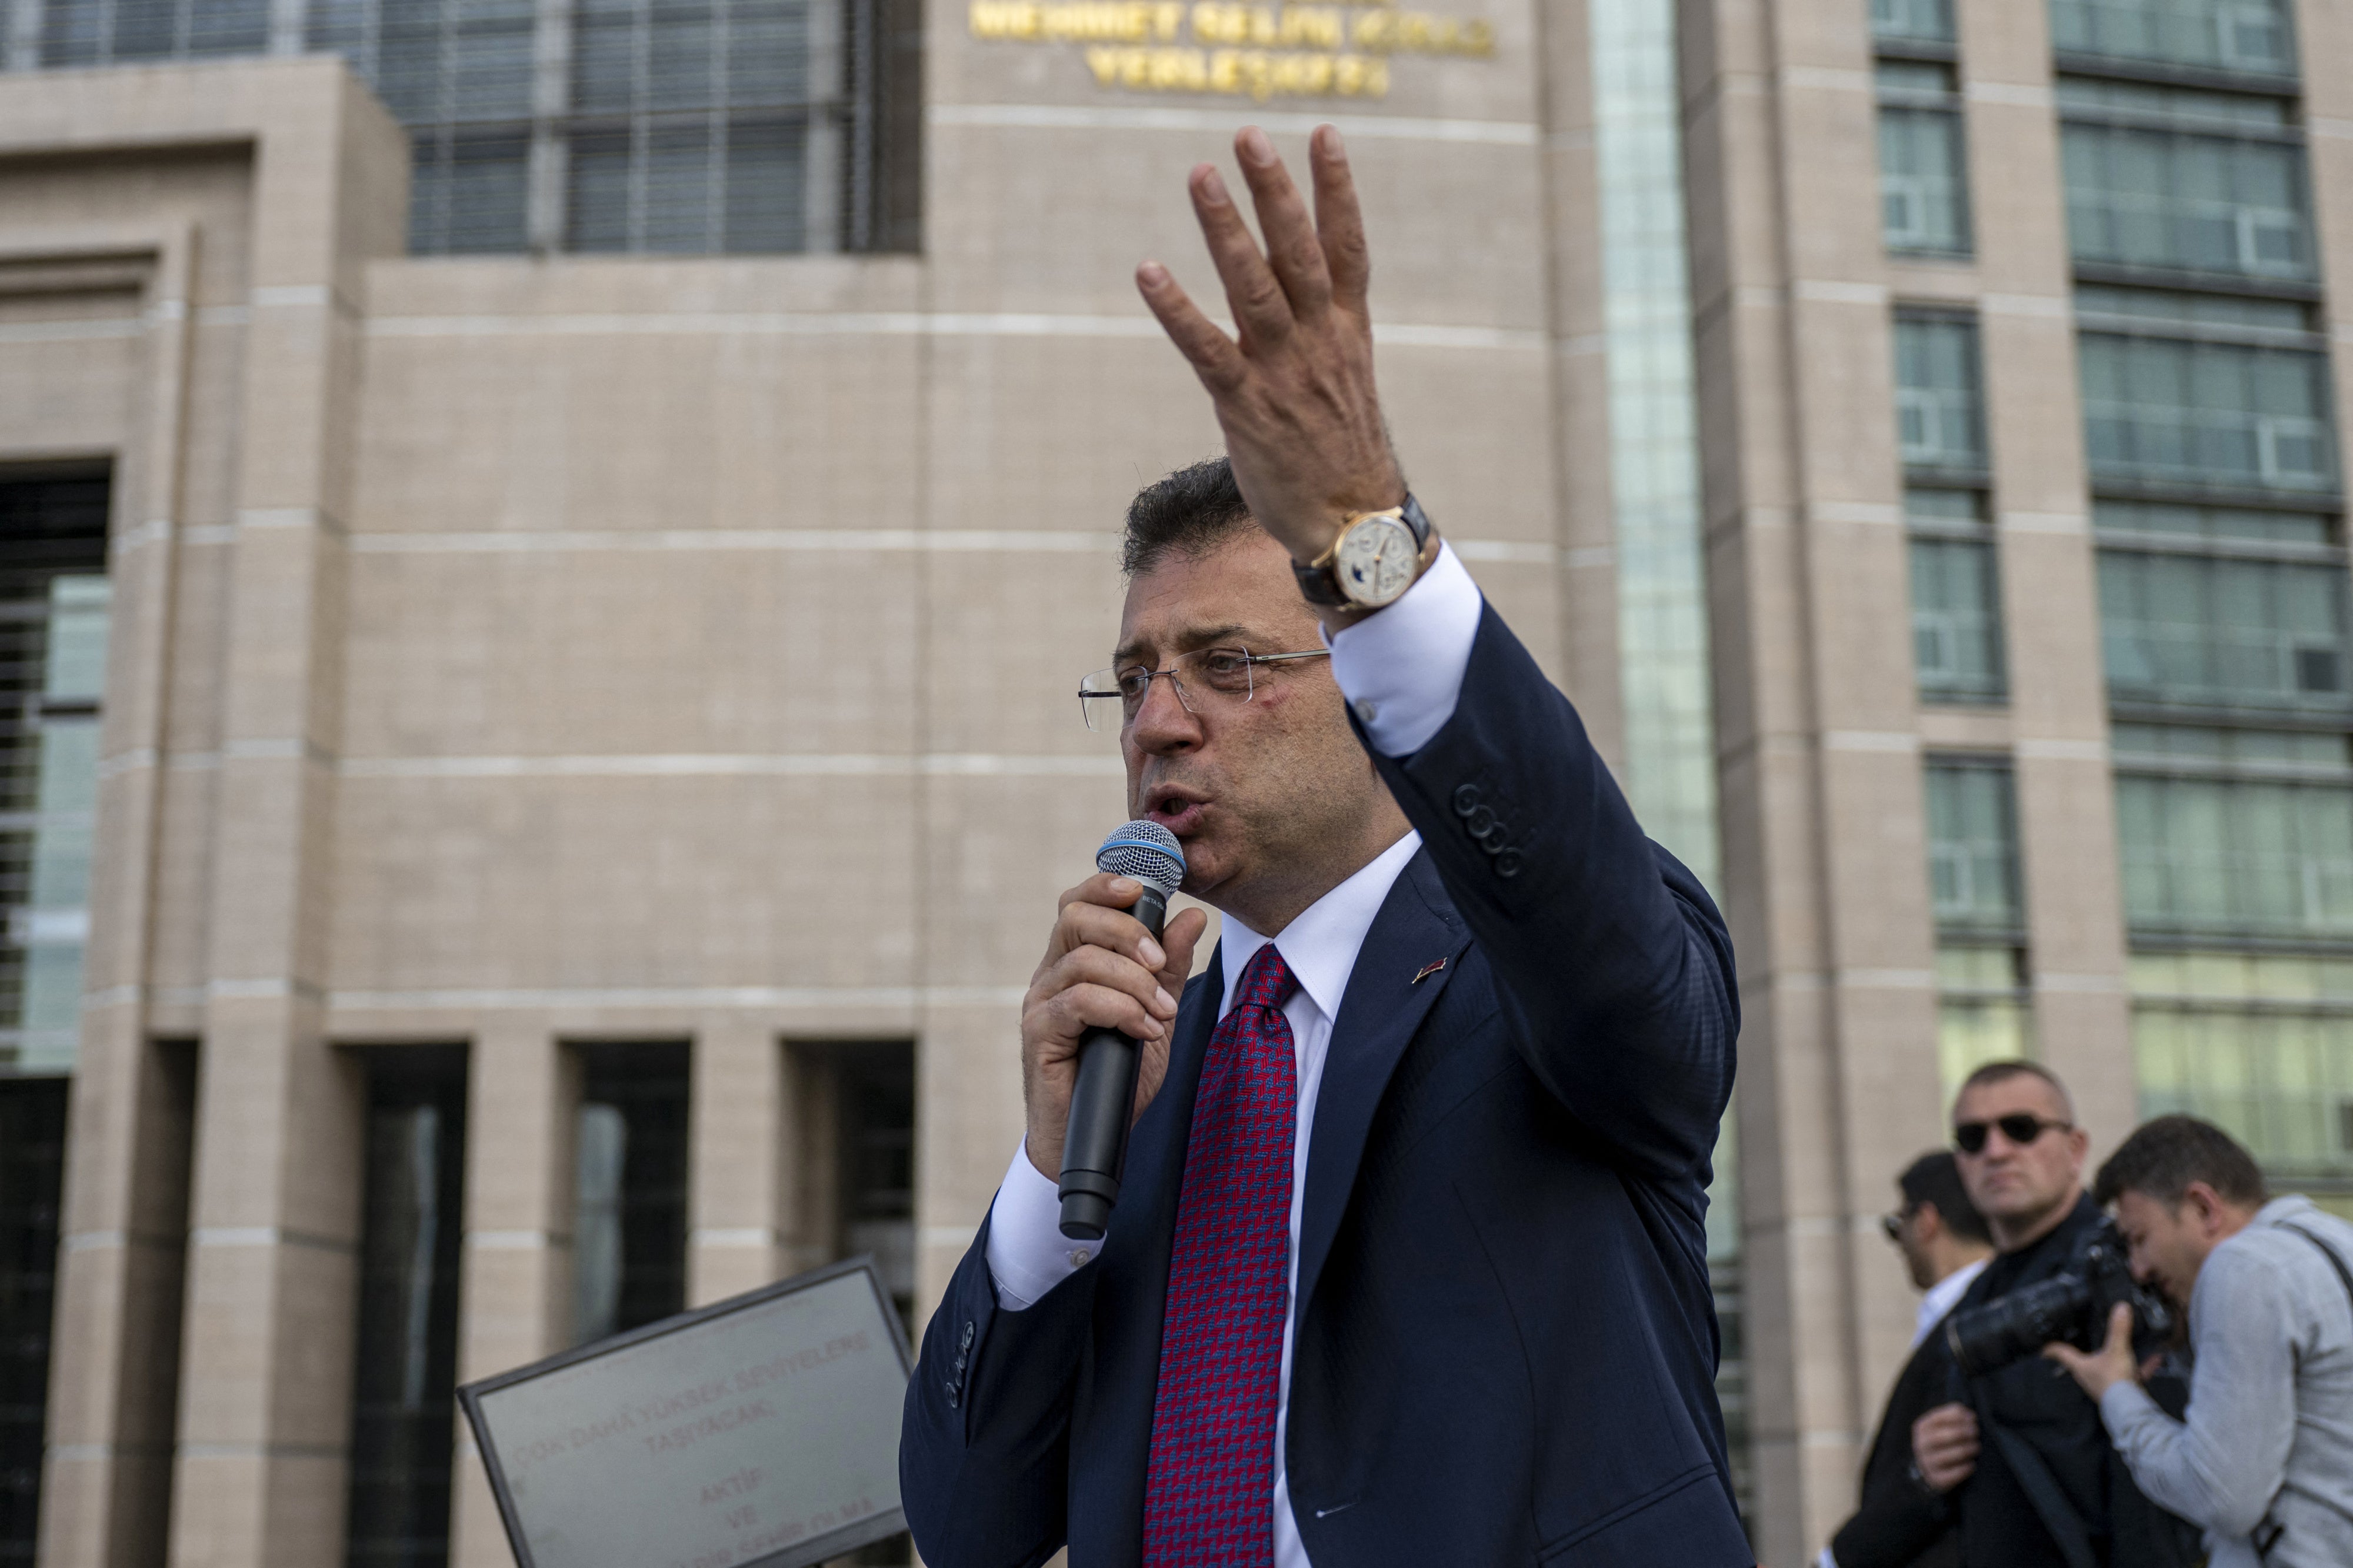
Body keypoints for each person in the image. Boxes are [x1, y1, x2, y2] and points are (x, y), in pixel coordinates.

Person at [896, 124, 1748, 1567]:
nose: (1156, 720)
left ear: (1361, 676)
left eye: (1226, 662)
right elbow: (970, 1523)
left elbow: (1584, 910)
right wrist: (1049, 1177)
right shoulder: (1144, 1064)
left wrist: (1370, 537)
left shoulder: (1543, 970)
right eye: (1134, 673)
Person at [1907, 1060, 2199, 1566]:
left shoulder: (2134, 1271)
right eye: (1973, 1138)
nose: (1996, 1151)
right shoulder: (1974, 1299)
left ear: (2076, 1149)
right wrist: (1927, 1467)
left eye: (2021, 1129)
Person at [2043, 1115, 2353, 1568]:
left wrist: (2117, 1394)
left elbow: (2221, 1496)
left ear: (2204, 1207)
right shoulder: (2335, 1241)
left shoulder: (2243, 1266)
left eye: (2139, 1239)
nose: (2138, 1269)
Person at [1820, 1152, 1993, 1568]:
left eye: (1896, 1227)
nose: (1899, 1246)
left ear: (1927, 1222)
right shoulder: (1979, 1316)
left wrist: (1833, 1560)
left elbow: (1934, 1481)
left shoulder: (1971, 1327)